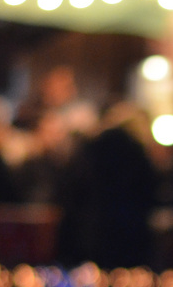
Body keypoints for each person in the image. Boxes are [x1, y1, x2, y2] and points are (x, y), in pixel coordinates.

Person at [58, 101, 160, 268]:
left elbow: (72, 191)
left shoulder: (91, 149)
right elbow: (149, 192)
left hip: (92, 230)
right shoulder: (136, 153)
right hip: (130, 231)